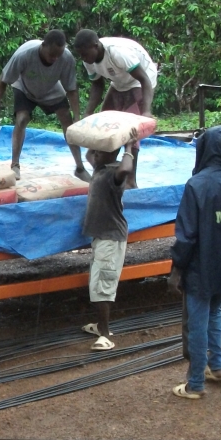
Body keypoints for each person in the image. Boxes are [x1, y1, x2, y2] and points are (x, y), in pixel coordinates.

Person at [168, 126, 221, 399]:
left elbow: (187, 235)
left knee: (196, 322)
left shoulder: (197, 184)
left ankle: (195, 384)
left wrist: (177, 268)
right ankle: (217, 367)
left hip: (201, 266)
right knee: (215, 312)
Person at [0, 29, 89, 181]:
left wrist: (77, 117)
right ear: (43, 45)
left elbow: (72, 90)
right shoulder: (24, 55)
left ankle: (80, 167)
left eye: (58, 55)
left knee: (67, 119)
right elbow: (2, 81)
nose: (54, 58)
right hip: (24, 86)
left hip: (51, 88)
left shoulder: (66, 58)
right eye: (51, 54)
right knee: (22, 119)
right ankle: (15, 164)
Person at [73, 30, 157, 187]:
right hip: (118, 83)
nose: (83, 58)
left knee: (130, 129)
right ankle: (101, 167)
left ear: (95, 46)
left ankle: (131, 180)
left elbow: (144, 79)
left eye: (85, 54)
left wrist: (146, 111)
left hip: (140, 81)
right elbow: (97, 85)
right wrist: (88, 112)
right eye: (81, 55)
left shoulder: (118, 53)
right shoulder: (88, 61)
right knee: (104, 122)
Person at [80, 148, 134, 351]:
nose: (94, 155)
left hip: (111, 238)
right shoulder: (100, 169)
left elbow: (126, 168)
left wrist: (129, 147)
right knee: (96, 284)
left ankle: (105, 335)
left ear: (112, 153)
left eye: (99, 152)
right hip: (101, 237)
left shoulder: (114, 173)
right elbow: (88, 156)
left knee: (103, 286)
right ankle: (100, 326)